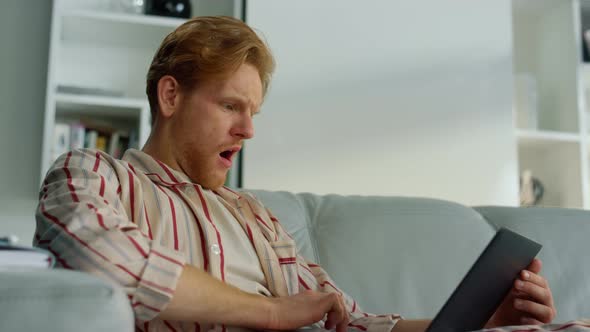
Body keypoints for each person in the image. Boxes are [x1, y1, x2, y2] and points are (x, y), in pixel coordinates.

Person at [35, 16, 559, 332]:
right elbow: (111, 261)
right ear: (171, 96)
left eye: (253, 114)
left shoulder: (252, 216)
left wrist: (482, 322)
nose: (247, 132)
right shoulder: (92, 173)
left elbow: (352, 323)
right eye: (230, 107)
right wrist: (270, 314)